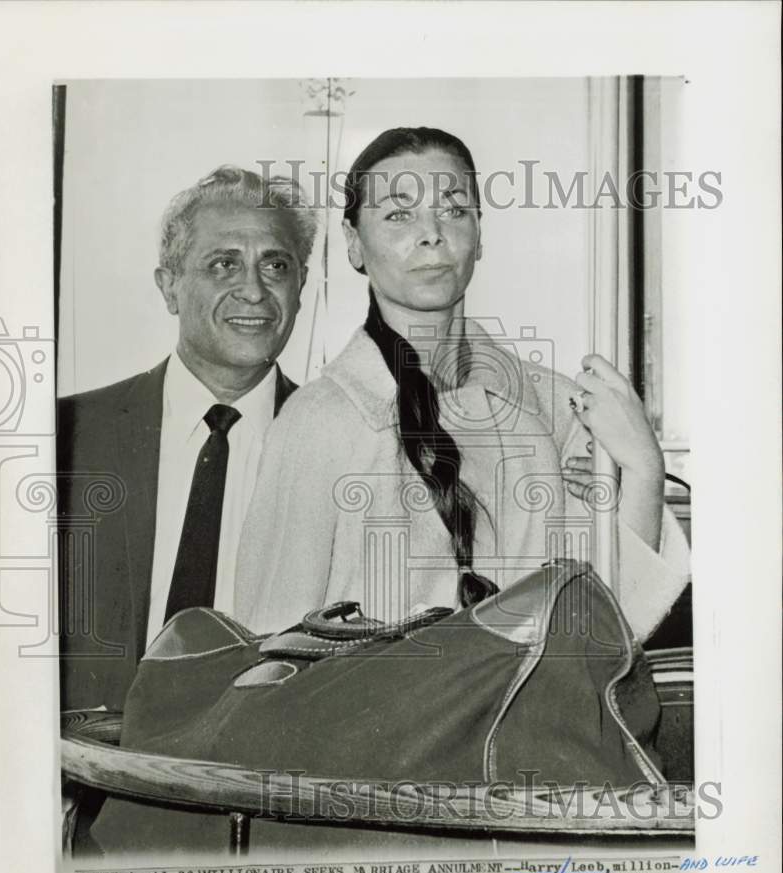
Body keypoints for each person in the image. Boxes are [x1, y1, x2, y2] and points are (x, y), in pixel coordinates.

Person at [234, 127, 689, 640]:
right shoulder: (316, 422)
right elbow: (269, 650)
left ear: (479, 233)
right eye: (399, 214)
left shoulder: (556, 406)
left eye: (453, 209)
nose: (431, 233)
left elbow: (611, 631)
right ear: (354, 244)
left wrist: (645, 467)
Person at [57, 166, 317, 711]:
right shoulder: (65, 437)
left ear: (301, 286)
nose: (254, 289)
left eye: (276, 265)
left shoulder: (339, 447)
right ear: (169, 286)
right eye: (224, 264)